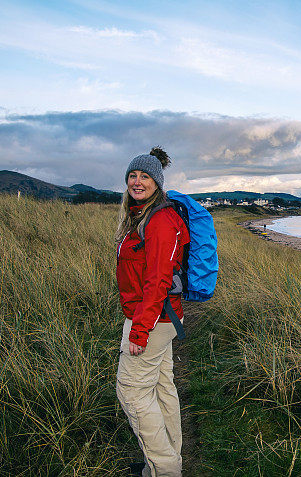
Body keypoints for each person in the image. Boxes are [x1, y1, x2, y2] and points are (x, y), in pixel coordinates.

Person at [115, 147, 189, 477]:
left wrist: (139, 330)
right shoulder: (142, 216)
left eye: (145, 176)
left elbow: (158, 280)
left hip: (154, 320)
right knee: (161, 388)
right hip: (160, 317)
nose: (137, 181)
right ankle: (165, 462)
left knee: (131, 391)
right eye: (133, 175)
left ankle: (165, 470)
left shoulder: (160, 221)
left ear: (157, 183)